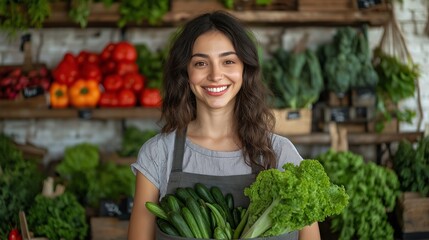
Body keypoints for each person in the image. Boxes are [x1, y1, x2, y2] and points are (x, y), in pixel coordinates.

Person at [128, 10, 321, 240]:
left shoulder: (281, 154)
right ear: (185, 72)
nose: (215, 75)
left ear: (244, 69)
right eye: (201, 63)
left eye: (228, 61)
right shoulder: (158, 154)